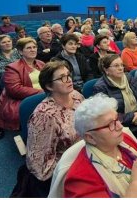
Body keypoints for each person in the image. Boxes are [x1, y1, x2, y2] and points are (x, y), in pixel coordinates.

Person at [64, 93, 137, 197]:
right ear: (90, 137)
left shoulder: (123, 139)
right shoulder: (80, 179)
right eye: (111, 124)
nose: (120, 126)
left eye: (117, 119)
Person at [26, 60, 84, 196]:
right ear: (49, 86)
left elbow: (89, 124)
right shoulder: (44, 116)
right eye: (62, 78)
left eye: (68, 75)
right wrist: (75, 167)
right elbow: (39, 166)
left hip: (87, 153)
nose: (69, 79)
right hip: (66, 169)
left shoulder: (76, 96)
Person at [0, 38, 45, 139]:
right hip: (25, 98)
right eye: (29, 48)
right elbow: (15, 90)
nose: (33, 50)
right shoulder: (12, 67)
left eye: (34, 47)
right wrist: (42, 92)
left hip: (45, 94)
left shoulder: (41, 64)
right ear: (21, 51)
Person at [92, 54, 137, 133]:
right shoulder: (100, 87)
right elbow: (108, 115)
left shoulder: (128, 77)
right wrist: (134, 116)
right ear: (106, 70)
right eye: (116, 66)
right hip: (122, 125)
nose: (120, 68)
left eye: (122, 65)